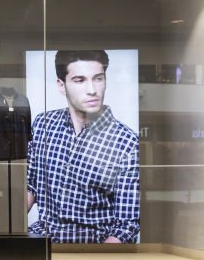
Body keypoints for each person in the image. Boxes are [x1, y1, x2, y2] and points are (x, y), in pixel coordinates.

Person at [27, 50, 139, 243]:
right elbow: (30, 187)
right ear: (61, 85)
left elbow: (125, 226)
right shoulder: (43, 124)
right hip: (40, 241)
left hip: (93, 249)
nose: (92, 90)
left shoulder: (127, 143)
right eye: (80, 80)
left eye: (98, 79)